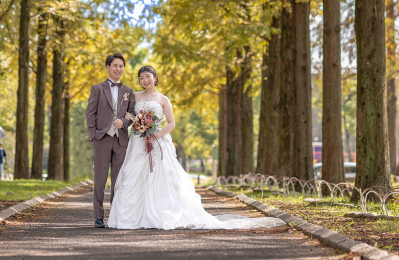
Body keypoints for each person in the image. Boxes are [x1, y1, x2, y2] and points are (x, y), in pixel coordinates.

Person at [107, 66, 284, 230]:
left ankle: (159, 213)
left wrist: (155, 135)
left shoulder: (163, 99)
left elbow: (171, 124)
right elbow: (128, 114)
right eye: (141, 78)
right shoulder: (135, 96)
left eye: (147, 77)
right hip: (138, 141)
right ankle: (132, 217)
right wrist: (135, 123)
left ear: (155, 78)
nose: (144, 80)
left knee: (160, 176)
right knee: (133, 174)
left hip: (158, 141)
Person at [86, 53, 136, 228]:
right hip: (102, 138)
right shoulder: (97, 89)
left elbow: (132, 114)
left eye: (121, 66)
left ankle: (115, 216)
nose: (118, 69)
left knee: (118, 179)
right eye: (115, 65)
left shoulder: (128, 92)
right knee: (100, 178)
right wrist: (93, 134)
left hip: (121, 139)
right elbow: (90, 113)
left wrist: (125, 122)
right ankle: (98, 216)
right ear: (108, 67)